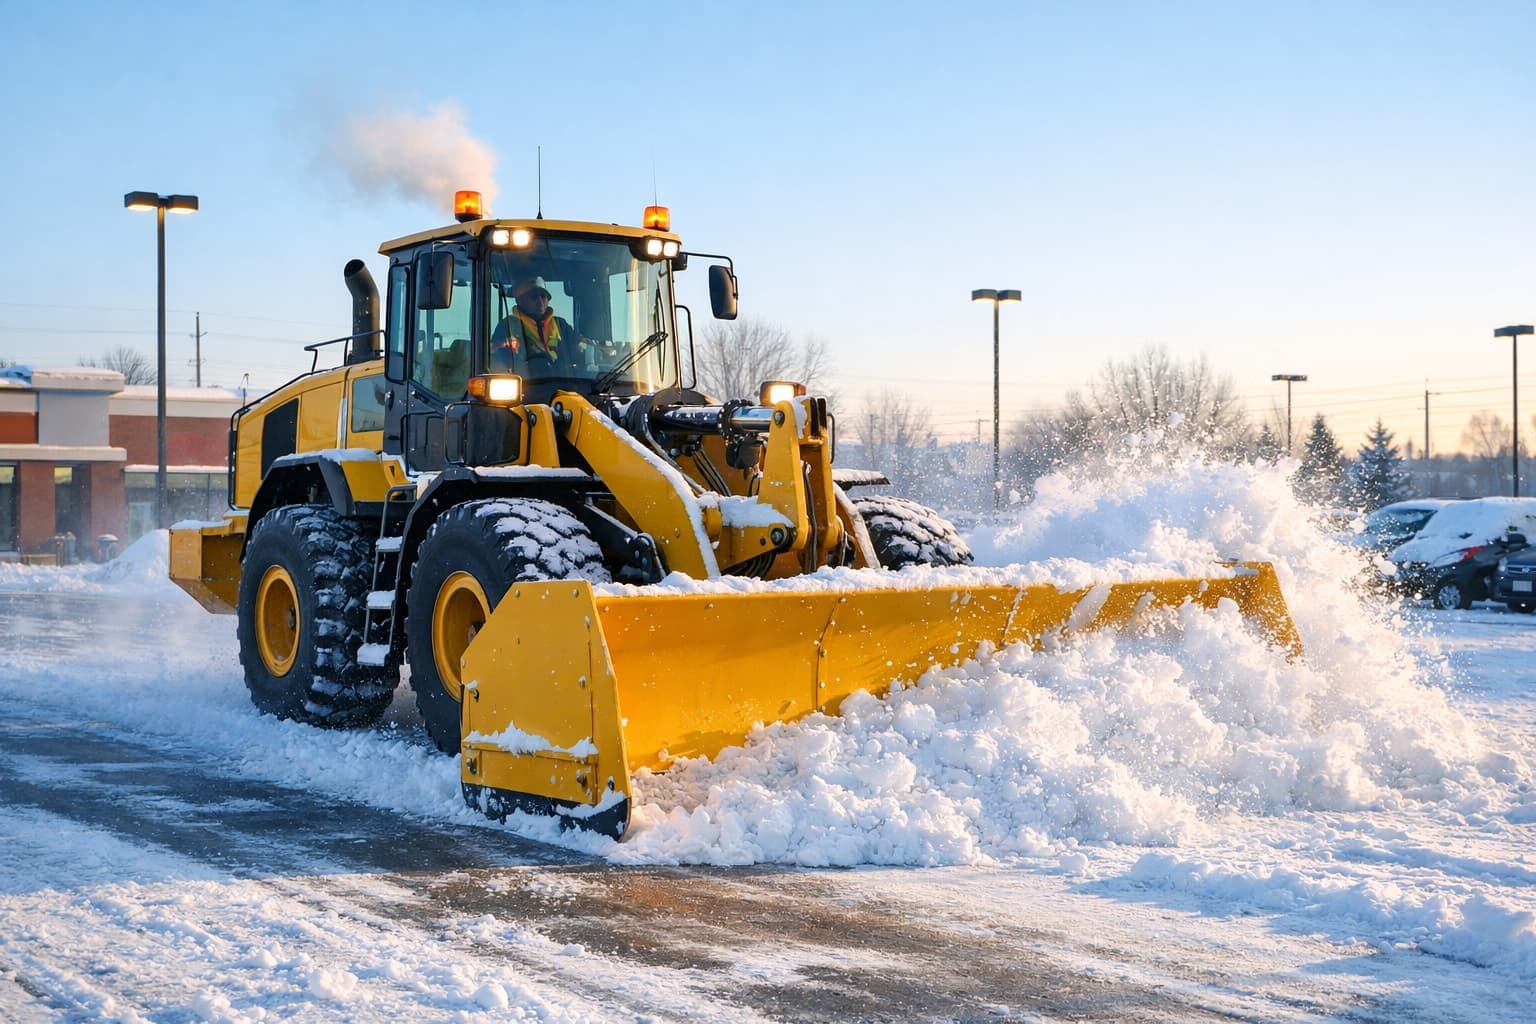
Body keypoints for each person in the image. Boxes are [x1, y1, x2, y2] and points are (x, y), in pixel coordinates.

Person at [489, 276, 587, 373]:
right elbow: (495, 357)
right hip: (524, 385)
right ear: (520, 300)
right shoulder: (507, 326)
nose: (540, 301)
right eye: (534, 296)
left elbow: (581, 349)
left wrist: (582, 349)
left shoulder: (561, 324)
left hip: (562, 383)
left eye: (543, 296)